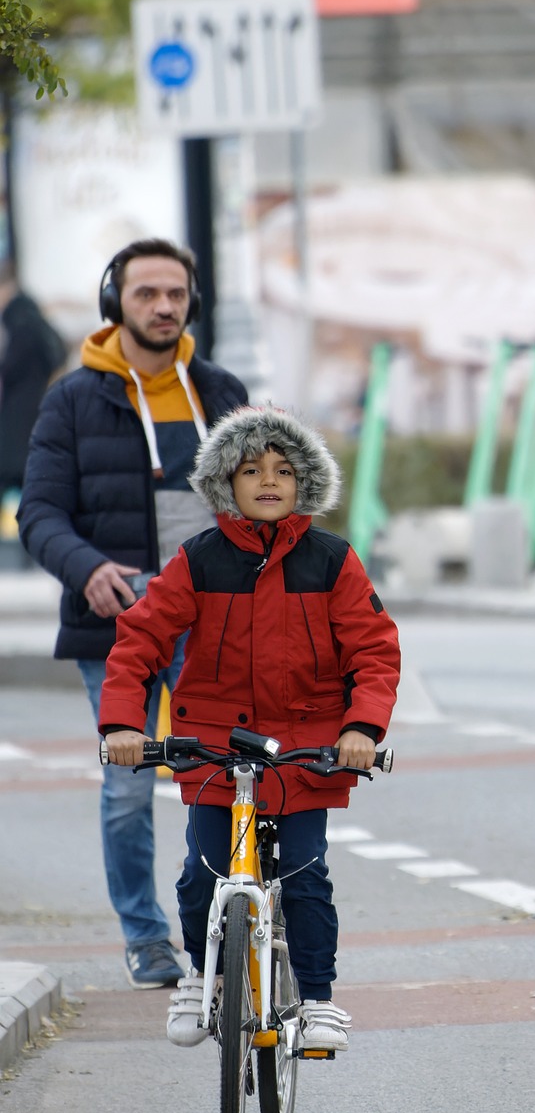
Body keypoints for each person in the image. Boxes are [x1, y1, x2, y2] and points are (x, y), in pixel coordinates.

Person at [98, 404, 401, 1051]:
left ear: (305, 485)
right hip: (211, 746)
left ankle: (317, 998)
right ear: (223, 484)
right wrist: (125, 723)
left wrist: (362, 729)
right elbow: (140, 641)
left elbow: (374, 650)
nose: (269, 480)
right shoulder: (198, 560)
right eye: (251, 469)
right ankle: (200, 977)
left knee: (303, 871)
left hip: (306, 748)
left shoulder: (331, 561)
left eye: (285, 470)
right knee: (201, 871)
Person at [18, 239, 248, 990]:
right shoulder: (73, 399)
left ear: (192, 302)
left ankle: (225, 922)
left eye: (175, 294)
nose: (163, 307)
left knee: (224, 776)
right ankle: (146, 938)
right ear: (115, 301)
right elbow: (41, 513)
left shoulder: (220, 391)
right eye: (146, 293)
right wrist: (87, 569)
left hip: (213, 622)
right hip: (118, 627)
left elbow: (263, 501)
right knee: (127, 789)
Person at [0, 260, 66, 497]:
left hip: (22, 419)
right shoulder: (25, 317)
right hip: (27, 415)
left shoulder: (21, 319)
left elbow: (53, 355)